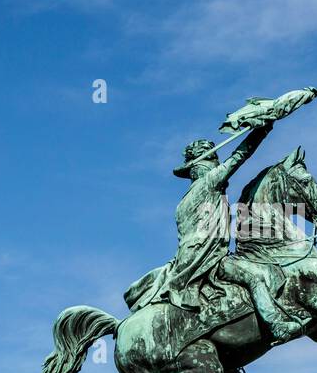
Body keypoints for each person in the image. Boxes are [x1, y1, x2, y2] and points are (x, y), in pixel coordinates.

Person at [123, 122, 307, 343]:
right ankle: (276, 326)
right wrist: (263, 129)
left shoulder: (184, 201)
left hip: (187, 261)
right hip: (209, 260)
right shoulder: (208, 184)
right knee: (254, 278)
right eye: (212, 161)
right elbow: (240, 156)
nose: (216, 165)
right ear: (199, 166)